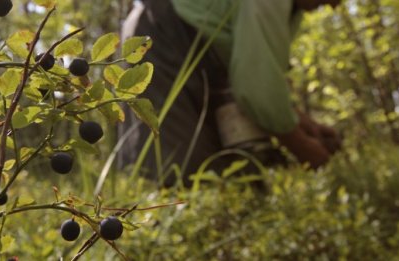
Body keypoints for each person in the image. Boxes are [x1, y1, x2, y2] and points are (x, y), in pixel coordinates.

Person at [119, 0, 342, 186]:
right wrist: (304, 147)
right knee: (179, 172)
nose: (335, 5)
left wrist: (300, 122)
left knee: (229, 173)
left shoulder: (289, 10)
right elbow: (256, 91)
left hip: (184, 43)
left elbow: (257, 72)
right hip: (160, 36)